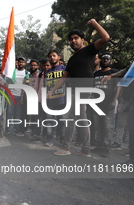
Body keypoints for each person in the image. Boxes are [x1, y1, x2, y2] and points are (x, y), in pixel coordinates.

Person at [48, 19, 110, 157]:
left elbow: (105, 38)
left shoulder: (88, 50)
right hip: (75, 91)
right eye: (71, 39)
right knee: (81, 118)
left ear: (83, 40)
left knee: (71, 117)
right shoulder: (72, 59)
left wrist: (94, 24)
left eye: (76, 38)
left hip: (84, 89)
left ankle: (66, 147)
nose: (73, 41)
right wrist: (52, 91)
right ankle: (85, 150)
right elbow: (64, 78)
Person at [91, 53, 118, 157]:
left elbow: (119, 87)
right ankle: (99, 146)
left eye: (107, 59)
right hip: (96, 104)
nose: (105, 60)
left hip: (108, 103)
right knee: (98, 126)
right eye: (103, 59)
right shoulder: (96, 73)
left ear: (111, 61)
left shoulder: (114, 73)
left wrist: (114, 100)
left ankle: (106, 148)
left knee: (107, 126)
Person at [44, 51, 67, 147]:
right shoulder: (47, 72)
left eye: (54, 56)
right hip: (50, 101)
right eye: (50, 56)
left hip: (62, 100)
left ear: (59, 57)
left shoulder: (64, 69)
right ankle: (49, 138)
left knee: (62, 121)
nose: (52, 58)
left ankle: (62, 139)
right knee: (49, 120)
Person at [6, 57, 29, 136]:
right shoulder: (13, 72)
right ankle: (8, 129)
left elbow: (26, 85)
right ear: (17, 63)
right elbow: (8, 83)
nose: (21, 63)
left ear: (25, 63)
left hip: (20, 96)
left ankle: (16, 129)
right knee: (9, 113)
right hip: (11, 95)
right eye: (19, 62)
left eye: (22, 62)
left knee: (18, 114)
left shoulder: (27, 73)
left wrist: (23, 97)